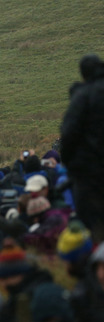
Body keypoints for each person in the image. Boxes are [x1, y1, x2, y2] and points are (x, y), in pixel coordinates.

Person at [60, 54, 104, 242]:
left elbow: (69, 134)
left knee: (91, 219)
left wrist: (69, 163)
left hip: (89, 168)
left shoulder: (83, 96)